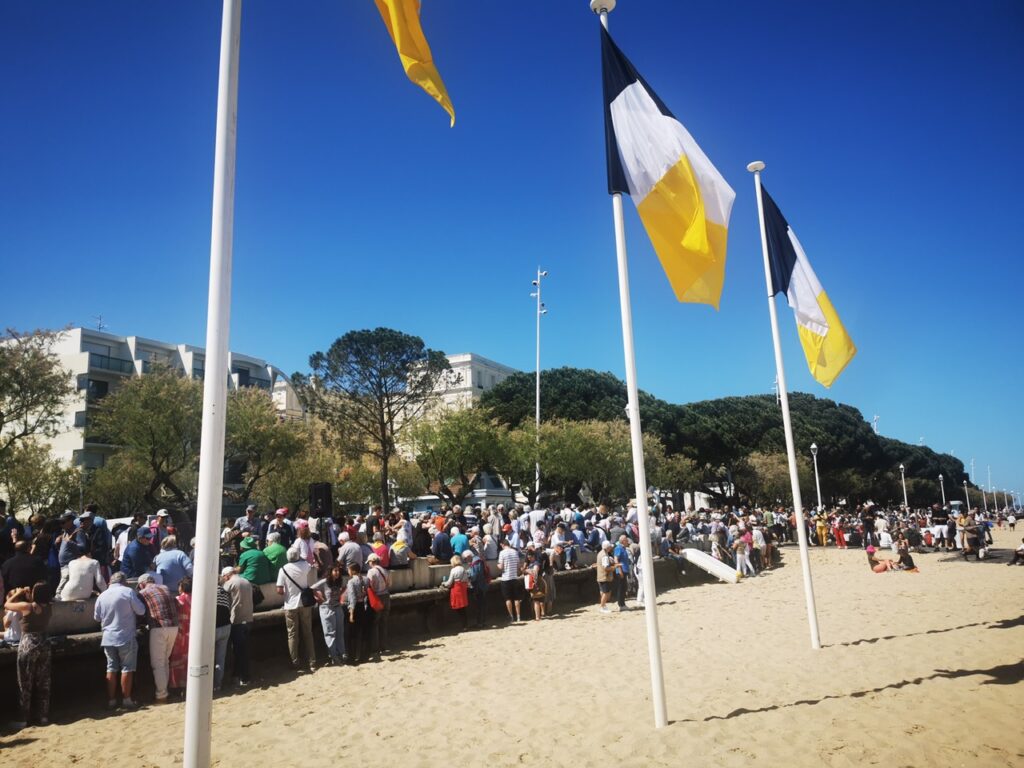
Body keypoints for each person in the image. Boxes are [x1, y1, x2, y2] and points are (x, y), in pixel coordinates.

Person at [93, 571, 146, 709]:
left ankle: (111, 700)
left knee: (111, 668)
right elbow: (141, 611)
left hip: (108, 636)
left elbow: (96, 618)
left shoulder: (102, 595)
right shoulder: (128, 592)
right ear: (125, 581)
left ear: (110, 582)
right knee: (127, 668)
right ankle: (126, 699)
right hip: (125, 635)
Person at [4, 582, 53, 728]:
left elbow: (7, 605)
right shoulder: (49, 607)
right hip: (44, 643)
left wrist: (18, 593)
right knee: (43, 682)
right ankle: (43, 716)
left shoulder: (27, 607)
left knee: (25, 683)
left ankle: (23, 718)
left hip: (28, 644)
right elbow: (37, 603)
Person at [138, 572, 179, 703]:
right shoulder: (165, 587)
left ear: (142, 584)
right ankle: (165, 691)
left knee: (158, 664)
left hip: (159, 627)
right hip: (174, 626)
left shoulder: (143, 592)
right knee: (165, 661)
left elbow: (140, 612)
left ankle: (161, 696)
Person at [277, 547, 316, 673]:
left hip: (290, 604)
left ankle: (295, 662)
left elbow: (279, 590)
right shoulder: (305, 565)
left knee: (292, 634)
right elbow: (311, 566)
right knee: (308, 632)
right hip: (305, 603)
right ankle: (312, 661)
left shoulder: (283, 569)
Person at [221, 567, 253, 686]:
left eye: (223, 577)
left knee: (238, 651)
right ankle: (241, 676)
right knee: (244, 649)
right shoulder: (246, 581)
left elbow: (221, 594)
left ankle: (242, 677)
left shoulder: (230, 583)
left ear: (227, 575)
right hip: (248, 619)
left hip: (237, 620)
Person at [312, 564, 346, 665]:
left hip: (337, 607)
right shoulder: (324, 582)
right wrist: (320, 598)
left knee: (340, 631)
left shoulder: (340, 581)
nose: (337, 573)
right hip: (327, 608)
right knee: (330, 633)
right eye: (335, 571)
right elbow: (312, 588)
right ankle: (333, 655)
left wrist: (340, 595)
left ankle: (341, 653)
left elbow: (345, 587)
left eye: (338, 571)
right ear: (330, 572)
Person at [168, 576, 192, 696]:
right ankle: (189, 684)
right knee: (190, 658)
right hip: (191, 632)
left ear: (182, 587)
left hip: (180, 632)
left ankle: (176, 685)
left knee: (177, 658)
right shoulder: (196, 599)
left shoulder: (178, 599)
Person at [365, 553, 391, 657]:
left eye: (369, 562)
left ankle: (375, 648)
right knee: (384, 622)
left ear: (372, 562)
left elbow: (369, 586)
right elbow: (389, 584)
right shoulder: (385, 570)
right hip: (386, 596)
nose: (369, 564)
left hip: (377, 598)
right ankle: (383, 646)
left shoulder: (371, 572)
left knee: (375, 623)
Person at [344, 562, 369, 665]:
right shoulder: (366, 579)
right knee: (362, 632)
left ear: (353, 571)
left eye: (349, 569)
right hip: (363, 606)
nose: (348, 571)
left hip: (355, 608)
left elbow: (352, 598)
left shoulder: (351, 582)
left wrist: (351, 613)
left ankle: (352, 657)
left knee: (351, 634)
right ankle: (363, 655)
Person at [496, 538, 523, 622]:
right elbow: (518, 566)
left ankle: (511, 617)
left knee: (508, 599)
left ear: (502, 544)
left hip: (506, 579)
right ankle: (518, 616)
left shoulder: (502, 553)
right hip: (514, 578)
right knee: (516, 598)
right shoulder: (515, 552)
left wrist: (497, 565)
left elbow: (501, 567)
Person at [213, 577, 232, 691]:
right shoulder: (225, 592)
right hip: (226, 626)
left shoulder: (210, 591)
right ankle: (218, 684)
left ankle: (208, 684)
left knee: (209, 657)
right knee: (220, 658)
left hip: (214, 627)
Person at [441, 553, 470, 629]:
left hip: (456, 589)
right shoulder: (463, 569)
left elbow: (449, 583)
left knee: (458, 607)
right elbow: (467, 580)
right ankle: (465, 625)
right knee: (463, 608)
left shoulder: (453, 570)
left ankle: (464, 625)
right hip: (463, 589)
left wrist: (443, 583)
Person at [465, 547, 488, 628]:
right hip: (482, 585)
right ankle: (482, 622)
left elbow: (474, 576)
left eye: (465, 559)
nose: (466, 561)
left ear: (468, 556)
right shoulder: (478, 560)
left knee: (479, 605)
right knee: (482, 604)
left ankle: (480, 623)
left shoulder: (475, 562)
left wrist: (468, 577)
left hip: (478, 586)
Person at [596, 540, 616, 613]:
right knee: (606, 592)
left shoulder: (600, 553)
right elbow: (606, 568)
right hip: (605, 577)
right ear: (607, 547)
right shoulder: (604, 555)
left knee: (603, 592)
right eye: (610, 547)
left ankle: (603, 606)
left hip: (601, 576)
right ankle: (602, 606)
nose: (611, 548)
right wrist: (614, 567)